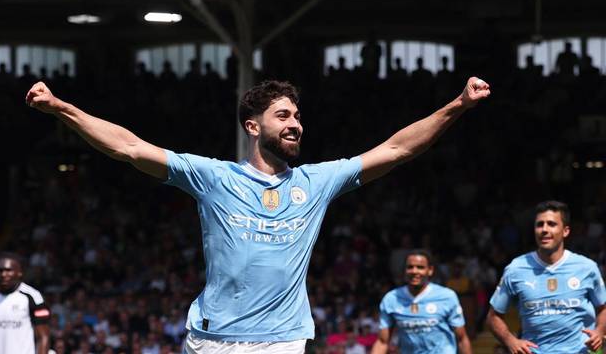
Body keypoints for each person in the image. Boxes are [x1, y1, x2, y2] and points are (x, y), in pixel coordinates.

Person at [25, 76, 490, 353]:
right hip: (215, 337)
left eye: (298, 117)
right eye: (283, 115)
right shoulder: (213, 177)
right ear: (254, 126)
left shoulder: (317, 182)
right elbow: (128, 148)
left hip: (282, 338)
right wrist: (60, 107)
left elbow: (396, 149)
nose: (295, 124)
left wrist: (458, 105)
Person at [486, 200, 606, 354]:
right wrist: (511, 341)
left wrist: (600, 331)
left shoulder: (587, 268)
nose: (544, 229)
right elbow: (493, 317)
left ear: (565, 231)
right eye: (539, 224)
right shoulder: (515, 269)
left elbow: (603, 308)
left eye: (551, 224)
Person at [371, 250, 473, 354]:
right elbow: (382, 342)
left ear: (430, 270)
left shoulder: (447, 297)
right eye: (410, 267)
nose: (414, 271)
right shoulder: (391, 299)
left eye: (420, 267)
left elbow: (461, 339)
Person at [0, 252, 51, 354]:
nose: (3, 274)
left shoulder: (32, 297)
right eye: (0, 271)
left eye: (8, 270)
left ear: (19, 272)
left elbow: (43, 337)